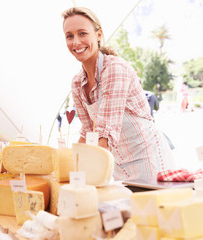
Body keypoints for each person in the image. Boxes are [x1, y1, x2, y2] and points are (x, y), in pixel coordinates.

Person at [62, 7, 175, 180]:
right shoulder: (77, 82)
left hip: (147, 160)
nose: (76, 42)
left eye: (83, 33)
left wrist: (88, 175)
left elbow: (105, 131)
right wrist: (67, 168)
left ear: (99, 35)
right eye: (69, 36)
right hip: (115, 163)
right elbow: (87, 132)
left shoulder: (114, 69)